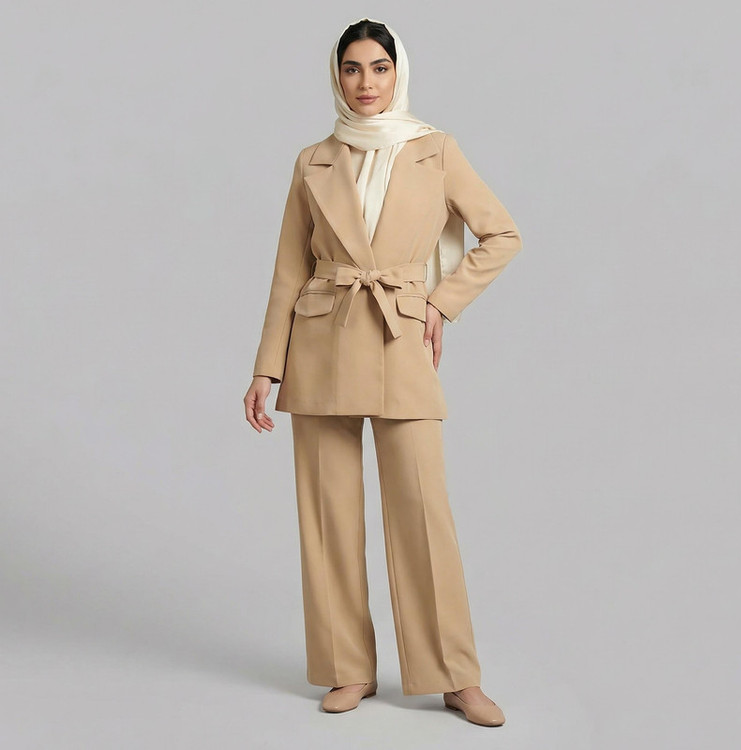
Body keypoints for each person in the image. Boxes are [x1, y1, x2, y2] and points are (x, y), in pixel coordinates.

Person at [243, 17, 522, 726]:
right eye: (352, 68)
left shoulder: (435, 149)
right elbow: (288, 270)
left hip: (399, 338)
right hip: (322, 340)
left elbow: (501, 234)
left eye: (379, 67)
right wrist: (267, 368)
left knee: (424, 512)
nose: (365, 82)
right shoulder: (313, 161)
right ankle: (348, 669)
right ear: (335, 76)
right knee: (328, 517)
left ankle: (455, 676)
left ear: (399, 72)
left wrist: (441, 302)